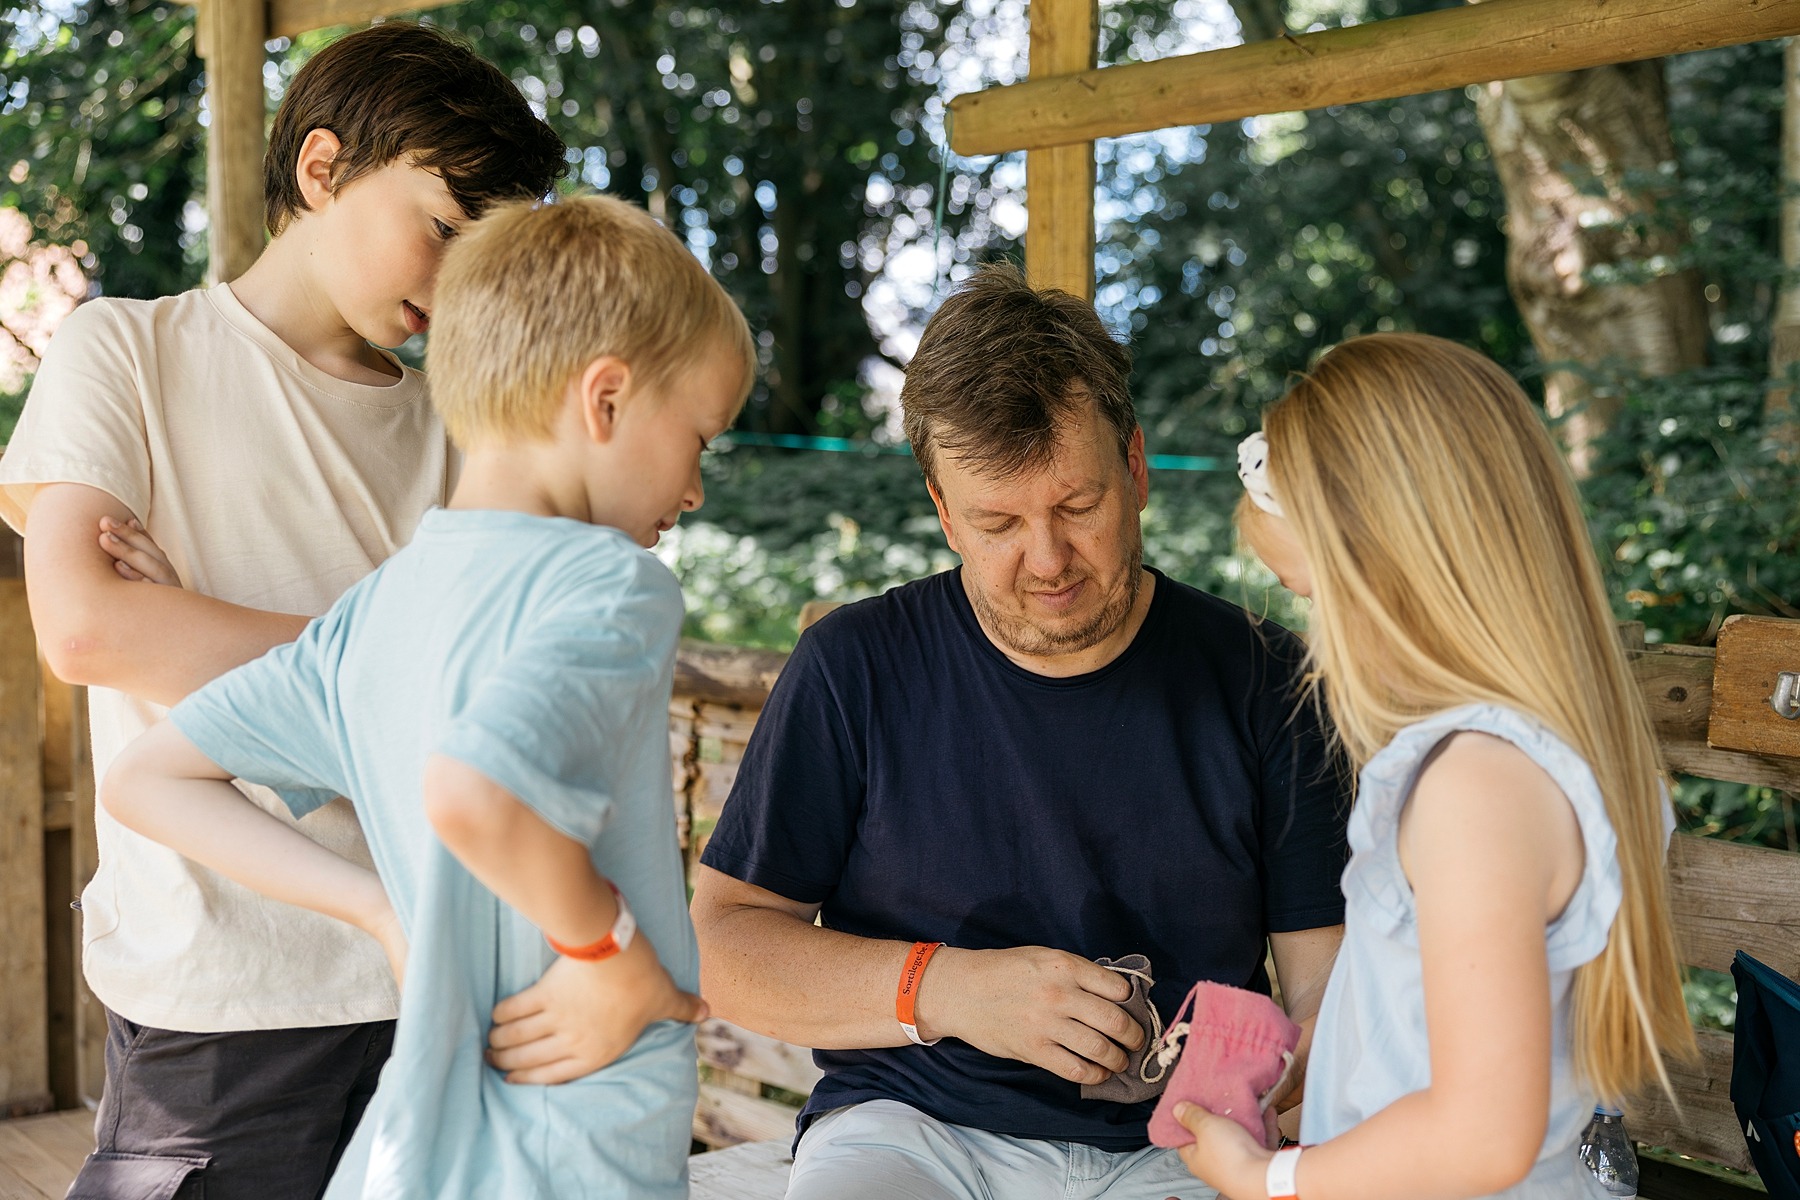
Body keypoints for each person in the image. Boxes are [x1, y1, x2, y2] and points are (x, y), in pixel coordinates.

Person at [0, 23, 565, 1199]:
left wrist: (198, 630)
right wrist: (395, 670)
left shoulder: (465, 431)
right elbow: (88, 628)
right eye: (447, 230)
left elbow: (493, 702)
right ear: (321, 169)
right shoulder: (128, 350)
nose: (461, 282)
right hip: (221, 1003)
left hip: (440, 986)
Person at [99, 193, 752, 1199]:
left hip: (419, 1147)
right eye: (702, 438)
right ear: (607, 400)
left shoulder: (379, 612)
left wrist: (379, 913)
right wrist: (607, 951)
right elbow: (474, 791)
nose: (698, 486)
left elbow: (148, 779)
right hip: (578, 1149)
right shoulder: (614, 585)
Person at [689, 263, 1351, 1200]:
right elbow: (724, 950)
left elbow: (1325, 991)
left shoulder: (1270, 679)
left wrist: (1292, 1070)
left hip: (1183, 1153)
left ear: (1136, 467)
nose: (1048, 562)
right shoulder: (854, 665)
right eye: (998, 522)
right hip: (908, 1132)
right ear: (941, 509)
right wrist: (950, 990)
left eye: (1077, 507)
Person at [1172, 333, 1696, 1199]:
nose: (1314, 643)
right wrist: (1329, 1042)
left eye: (1317, 598)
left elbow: (1483, 1133)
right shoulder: (1546, 749)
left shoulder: (1474, 788)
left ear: (1399, 571)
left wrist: (1269, 1177)